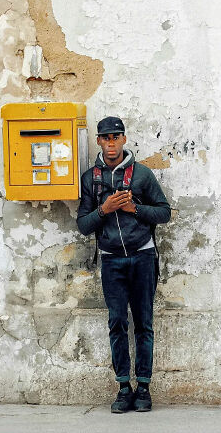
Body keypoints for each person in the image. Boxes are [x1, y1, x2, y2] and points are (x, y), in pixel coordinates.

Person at [76, 116, 171, 413]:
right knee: (117, 323)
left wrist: (134, 208)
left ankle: (143, 387)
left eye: (117, 136)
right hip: (112, 259)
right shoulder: (90, 178)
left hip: (143, 255)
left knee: (144, 323)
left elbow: (164, 213)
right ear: (100, 142)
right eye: (106, 137)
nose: (112, 142)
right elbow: (82, 225)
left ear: (124, 139)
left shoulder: (142, 175)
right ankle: (122, 388)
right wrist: (105, 209)